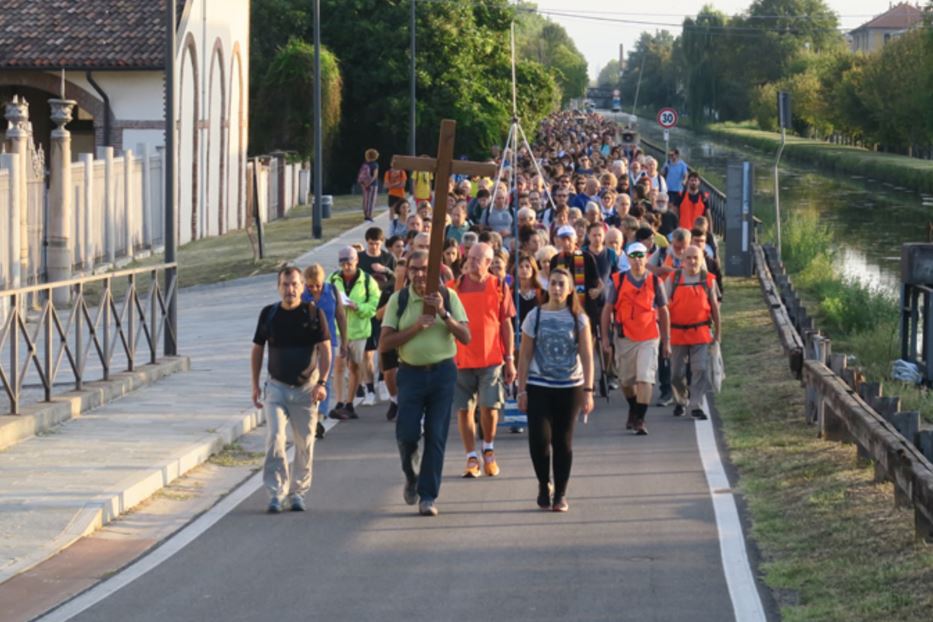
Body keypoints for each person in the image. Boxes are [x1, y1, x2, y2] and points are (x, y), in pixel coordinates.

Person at [379, 250, 471, 516]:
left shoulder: (449, 296)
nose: (419, 274)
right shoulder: (400, 299)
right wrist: (415, 328)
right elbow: (385, 342)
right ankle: (411, 475)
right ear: (407, 272)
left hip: (443, 374)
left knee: (436, 434)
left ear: (435, 272)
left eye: (424, 269)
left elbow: (466, 336)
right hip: (411, 374)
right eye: (414, 269)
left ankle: (428, 496)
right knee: (406, 434)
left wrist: (443, 313)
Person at [251, 265, 332, 513]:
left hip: (306, 389)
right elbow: (257, 349)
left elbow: (326, 349)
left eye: (295, 284)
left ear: (302, 287)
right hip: (276, 388)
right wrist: (255, 385)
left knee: (304, 443)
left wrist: (322, 383)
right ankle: (276, 492)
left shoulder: (313, 314)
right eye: (285, 285)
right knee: (274, 438)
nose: (290, 289)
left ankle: (298, 492)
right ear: (278, 287)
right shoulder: (269, 314)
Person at [517, 268, 594, 512]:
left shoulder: (579, 318)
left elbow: (587, 355)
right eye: (553, 283)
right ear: (546, 287)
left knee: (563, 442)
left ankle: (560, 493)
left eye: (562, 284)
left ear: (570, 289)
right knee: (539, 441)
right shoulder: (534, 316)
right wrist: (521, 390)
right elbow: (525, 354)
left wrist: (589, 391)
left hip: (570, 387)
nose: (557, 288)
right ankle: (543, 484)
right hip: (539, 386)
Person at [451, 242, 516, 479]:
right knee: (464, 409)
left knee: (489, 407)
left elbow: (506, 324)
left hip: (491, 359)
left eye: (478, 258)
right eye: (470, 257)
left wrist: (510, 359)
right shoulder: (454, 287)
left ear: (489, 263)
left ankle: (488, 448)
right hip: (460, 360)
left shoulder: (498, 286)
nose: (472, 261)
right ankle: (471, 456)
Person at [601, 242, 671, 435]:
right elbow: (607, 310)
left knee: (645, 378)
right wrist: (605, 338)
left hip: (649, 336)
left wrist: (667, 340)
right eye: (634, 256)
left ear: (647, 257)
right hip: (625, 338)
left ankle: (640, 418)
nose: (638, 259)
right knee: (626, 381)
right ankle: (634, 407)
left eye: (641, 255)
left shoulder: (655, 281)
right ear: (628, 258)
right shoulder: (618, 281)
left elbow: (664, 311)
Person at [667, 245, 720, 420]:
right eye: (688, 258)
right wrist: (664, 336)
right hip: (677, 332)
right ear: (682, 260)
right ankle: (681, 401)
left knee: (701, 368)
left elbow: (714, 307)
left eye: (695, 257)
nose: (692, 261)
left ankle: (696, 404)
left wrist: (718, 333)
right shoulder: (673, 278)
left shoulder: (708, 280)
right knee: (676, 373)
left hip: (701, 331)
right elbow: (663, 308)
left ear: (701, 259)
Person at [328, 247, 379, 419]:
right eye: (343, 263)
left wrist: (357, 307)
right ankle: (340, 402)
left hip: (359, 331)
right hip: (338, 331)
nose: (346, 267)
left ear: (356, 261)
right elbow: (326, 298)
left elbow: (374, 305)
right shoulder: (333, 279)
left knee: (355, 366)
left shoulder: (367, 280)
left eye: (349, 263)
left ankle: (350, 403)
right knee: (339, 366)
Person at [302, 264, 348, 438]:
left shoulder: (332, 291)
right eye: (310, 286)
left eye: (318, 285)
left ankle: (319, 417)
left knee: (324, 378)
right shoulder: (302, 294)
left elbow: (341, 317)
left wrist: (345, 341)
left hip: (328, 341)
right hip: (307, 343)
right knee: (307, 379)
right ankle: (309, 413)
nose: (314, 289)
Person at [357, 148, 379, 222]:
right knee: (371, 200)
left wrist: (364, 184)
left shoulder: (364, 164)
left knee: (365, 200)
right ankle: (370, 215)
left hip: (364, 185)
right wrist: (369, 183)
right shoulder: (375, 165)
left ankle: (365, 215)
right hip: (372, 185)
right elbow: (375, 176)